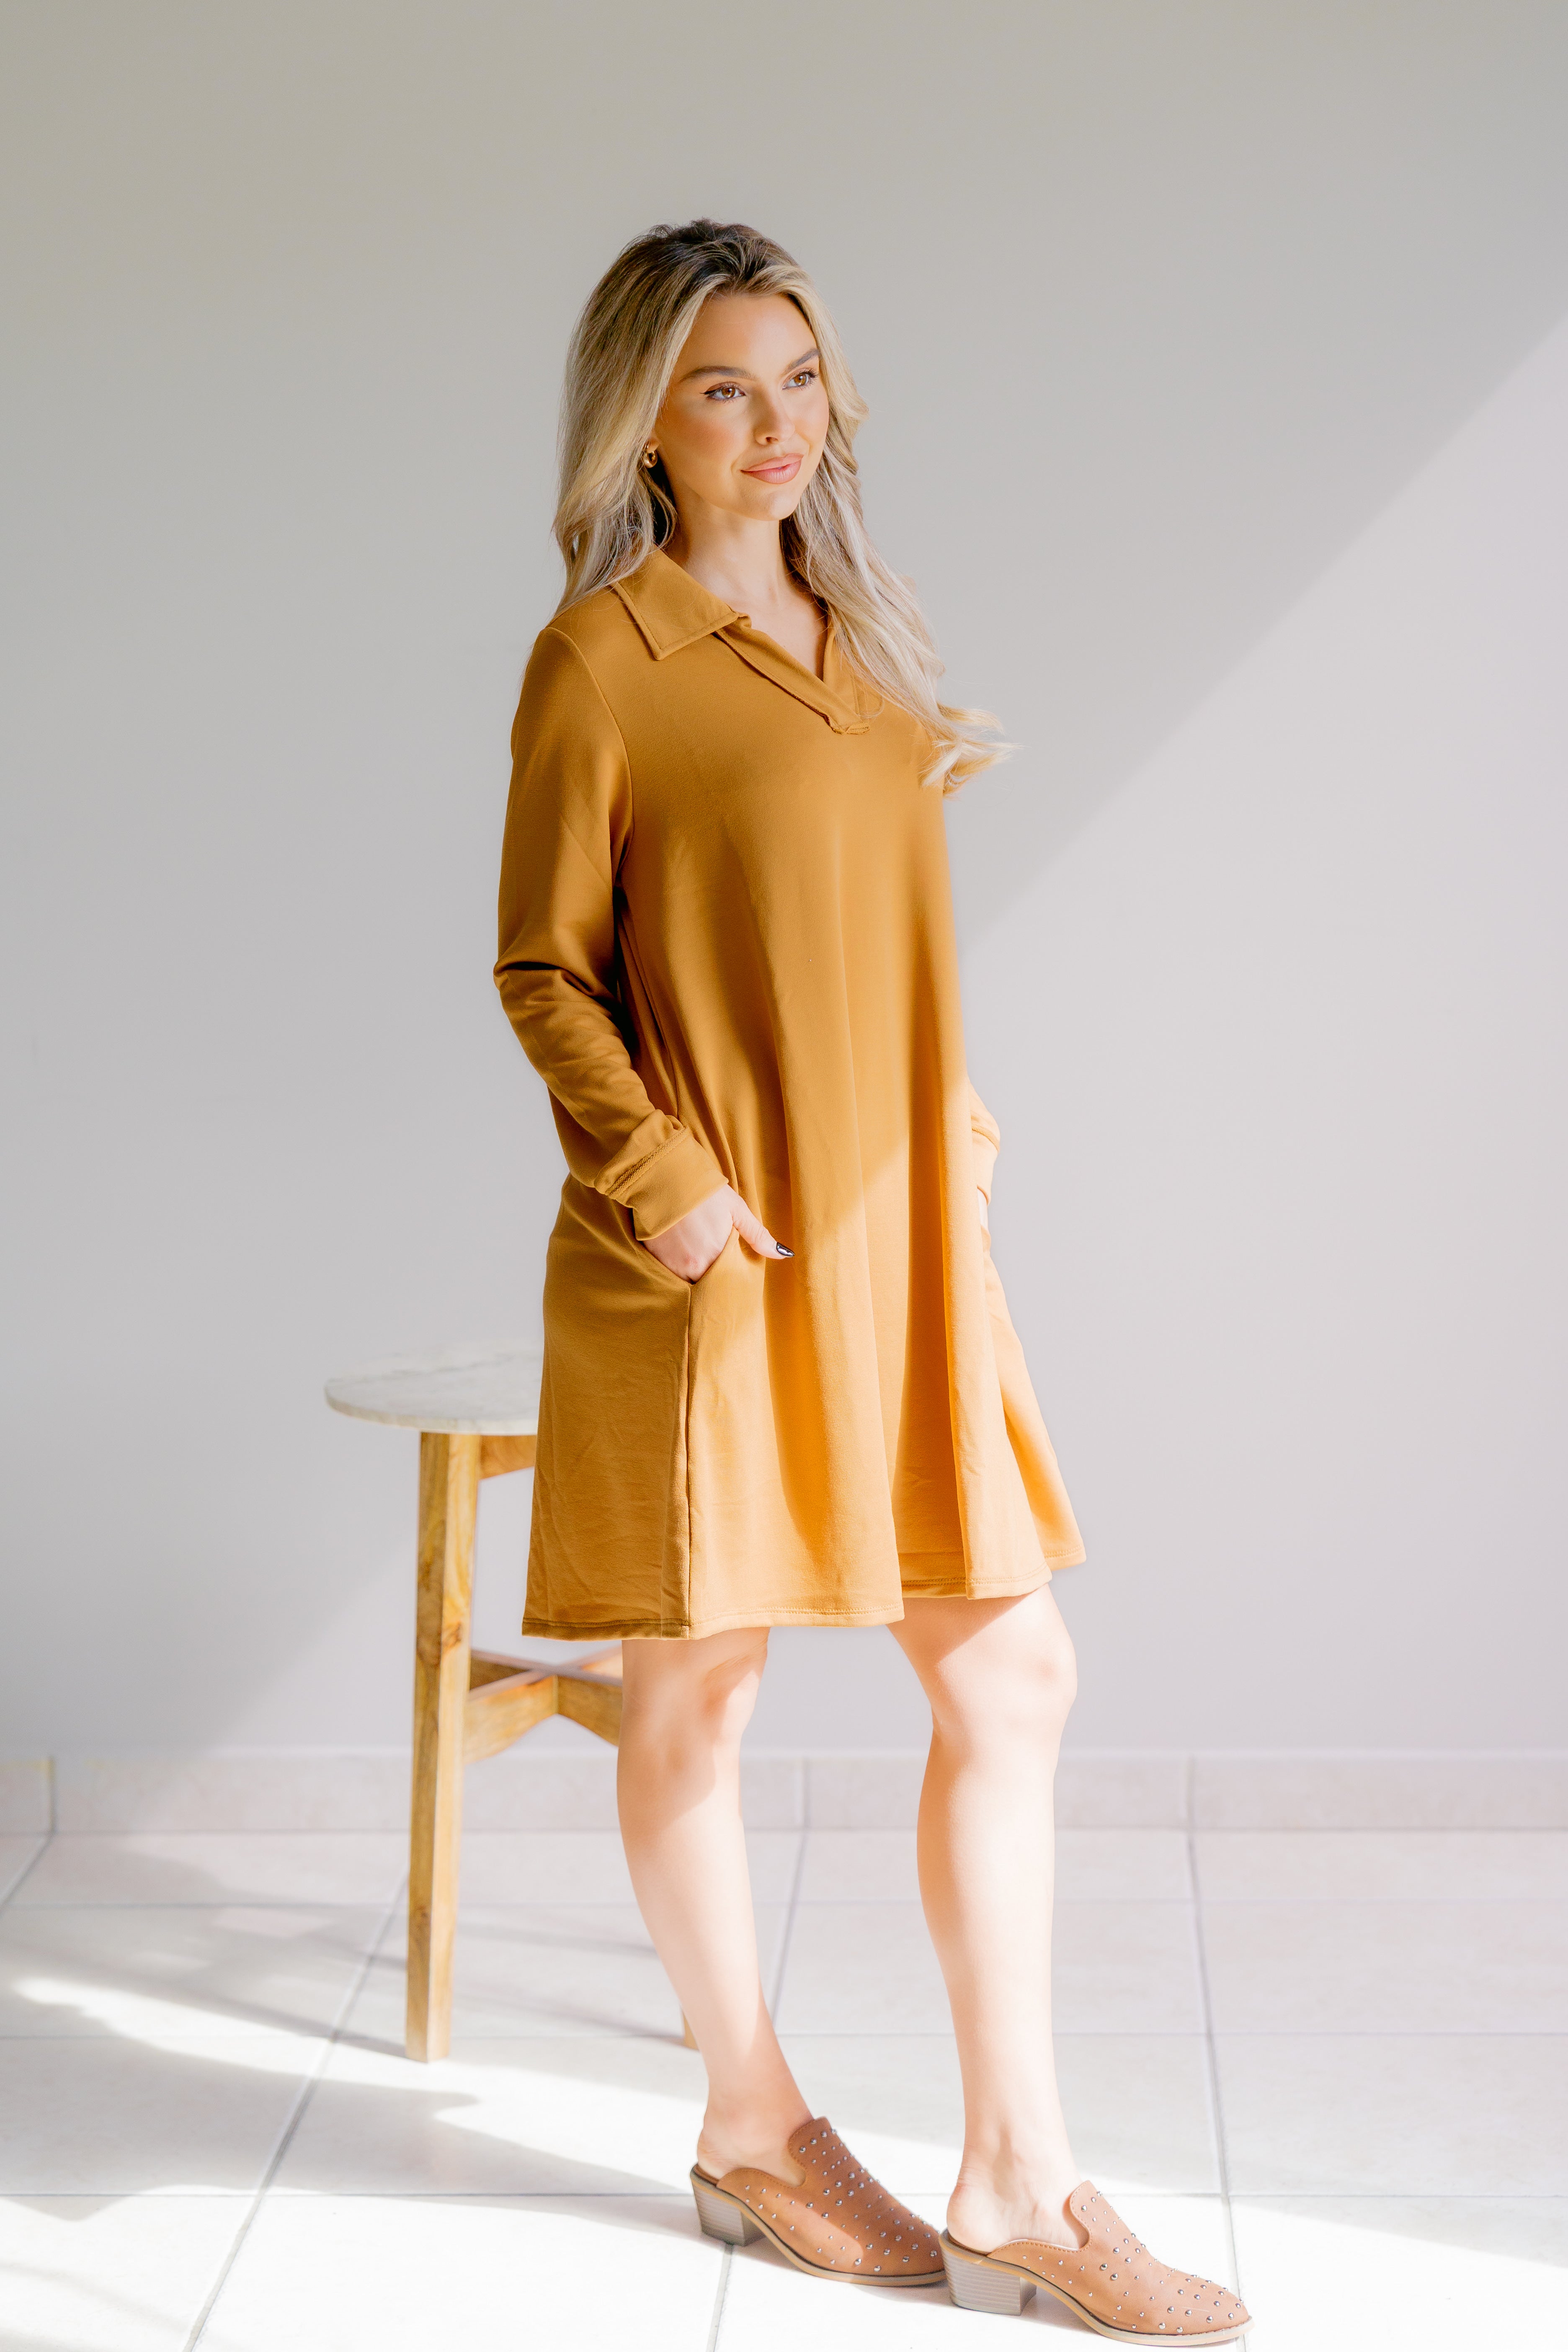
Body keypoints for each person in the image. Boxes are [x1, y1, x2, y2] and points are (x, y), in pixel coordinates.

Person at [495, 218, 1250, 2338]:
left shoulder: (858, 637)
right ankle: (751, 2112)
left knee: (1011, 1676)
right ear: (647, 412)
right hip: (706, 1249)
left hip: (903, 1244)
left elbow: (861, 946)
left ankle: (1019, 2170)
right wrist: (668, 1185)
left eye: (803, 379)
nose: (777, 423)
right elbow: (546, 969)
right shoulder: (604, 659)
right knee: (700, 1688)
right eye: (729, 385)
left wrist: (964, 1137)